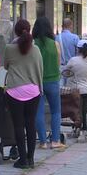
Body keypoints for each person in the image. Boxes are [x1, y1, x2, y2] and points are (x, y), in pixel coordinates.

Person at [4, 19, 43, 169]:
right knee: (30, 124)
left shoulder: (9, 48)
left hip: (15, 90)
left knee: (18, 126)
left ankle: (22, 160)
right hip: (33, 90)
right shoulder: (36, 50)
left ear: (16, 32)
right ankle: (31, 158)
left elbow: (6, 66)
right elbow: (40, 69)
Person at [33, 17, 66, 150]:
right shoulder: (55, 44)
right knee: (56, 111)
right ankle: (55, 140)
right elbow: (58, 63)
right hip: (53, 81)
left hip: (37, 82)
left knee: (38, 112)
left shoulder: (33, 44)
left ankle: (42, 142)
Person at [64, 40, 87, 133]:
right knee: (86, 109)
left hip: (78, 89)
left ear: (78, 49)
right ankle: (85, 127)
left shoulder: (73, 60)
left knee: (78, 110)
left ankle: (78, 127)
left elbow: (65, 72)